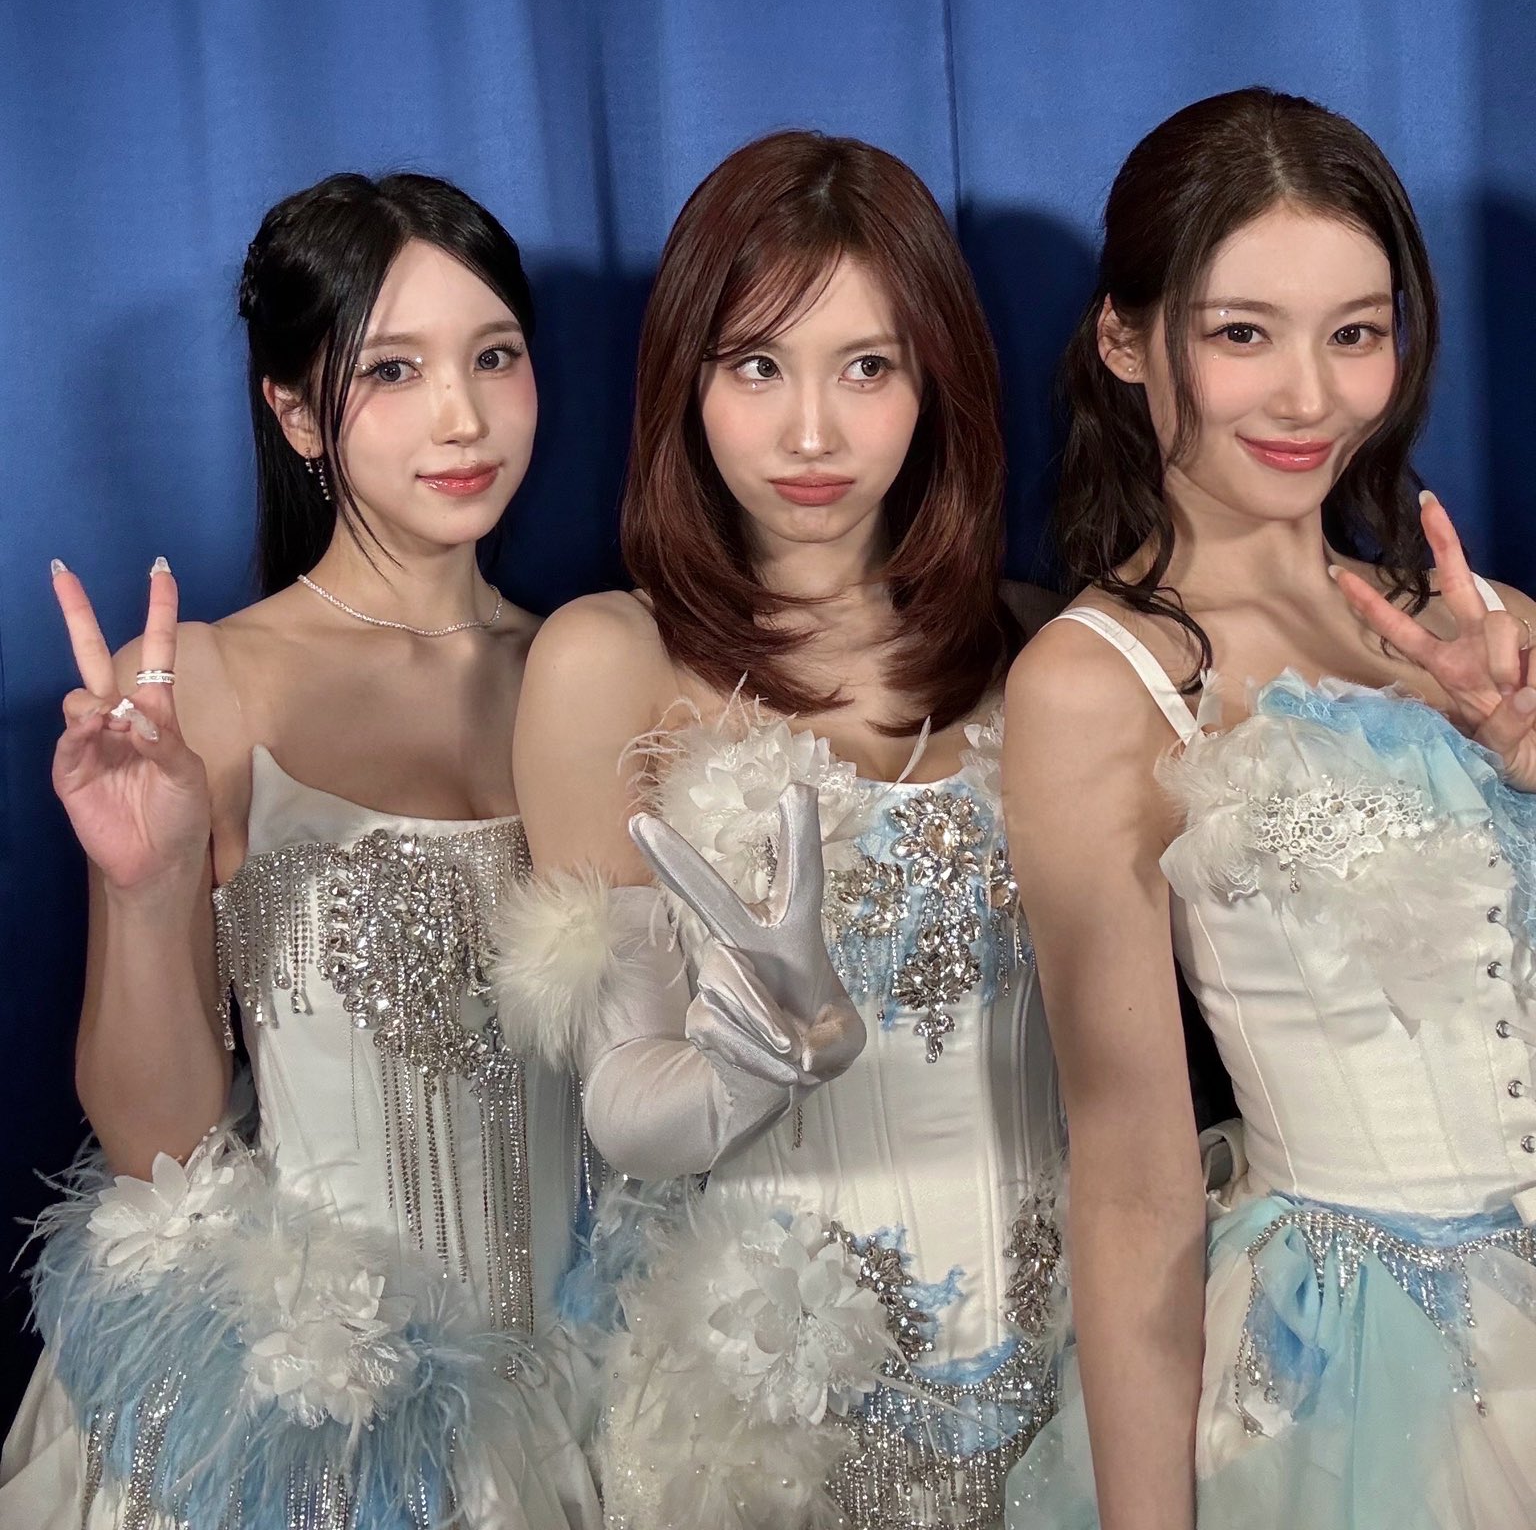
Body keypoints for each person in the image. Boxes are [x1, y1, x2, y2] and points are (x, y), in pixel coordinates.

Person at [0, 173, 600, 1529]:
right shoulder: (207, 682)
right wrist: (145, 882)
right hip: (319, 1432)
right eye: (393, 369)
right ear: (295, 413)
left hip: (592, 1407)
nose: (463, 417)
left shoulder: (596, 664)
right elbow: (157, 1148)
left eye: (494, 355)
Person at [493, 131, 1066, 1530]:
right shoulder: (607, 659)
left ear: (937, 384)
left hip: (1069, 1373)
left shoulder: (1047, 647)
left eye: (867, 367)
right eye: (757, 365)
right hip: (771, 1413)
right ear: (683, 384)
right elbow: (622, 1110)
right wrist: (752, 1067)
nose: (812, 433)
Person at [1002, 88, 1536, 1530]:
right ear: (1126, 340)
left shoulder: (1488, 629)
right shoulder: (1096, 680)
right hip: (1351, 1377)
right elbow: (1131, 1179)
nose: (1311, 397)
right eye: (1244, 333)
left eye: (1355, 333)